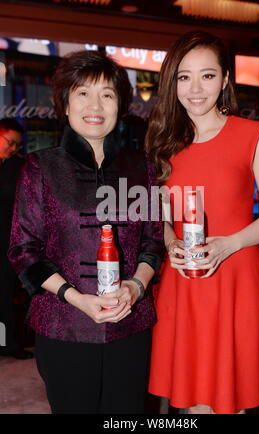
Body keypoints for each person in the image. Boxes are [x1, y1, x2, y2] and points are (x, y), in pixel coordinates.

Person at [8, 50, 164, 414]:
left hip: (131, 322)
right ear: (65, 103)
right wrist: (77, 298)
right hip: (64, 324)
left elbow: (154, 239)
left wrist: (136, 286)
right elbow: (23, 250)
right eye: (82, 93)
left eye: (107, 94)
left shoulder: (140, 167)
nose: (95, 105)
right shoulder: (40, 167)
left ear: (120, 105)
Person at [145, 30, 259, 414]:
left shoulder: (251, 134)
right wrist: (170, 242)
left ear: (225, 79)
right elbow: (158, 214)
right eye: (184, 76)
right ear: (171, 81)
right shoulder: (162, 140)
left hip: (237, 278)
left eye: (207, 75)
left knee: (232, 398)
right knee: (194, 401)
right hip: (184, 283)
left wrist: (229, 243)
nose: (196, 88)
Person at [0, 118, 33, 359]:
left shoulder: (15, 166)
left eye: (16, 146)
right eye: (10, 143)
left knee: (4, 293)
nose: (12, 149)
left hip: (6, 240)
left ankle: (8, 343)